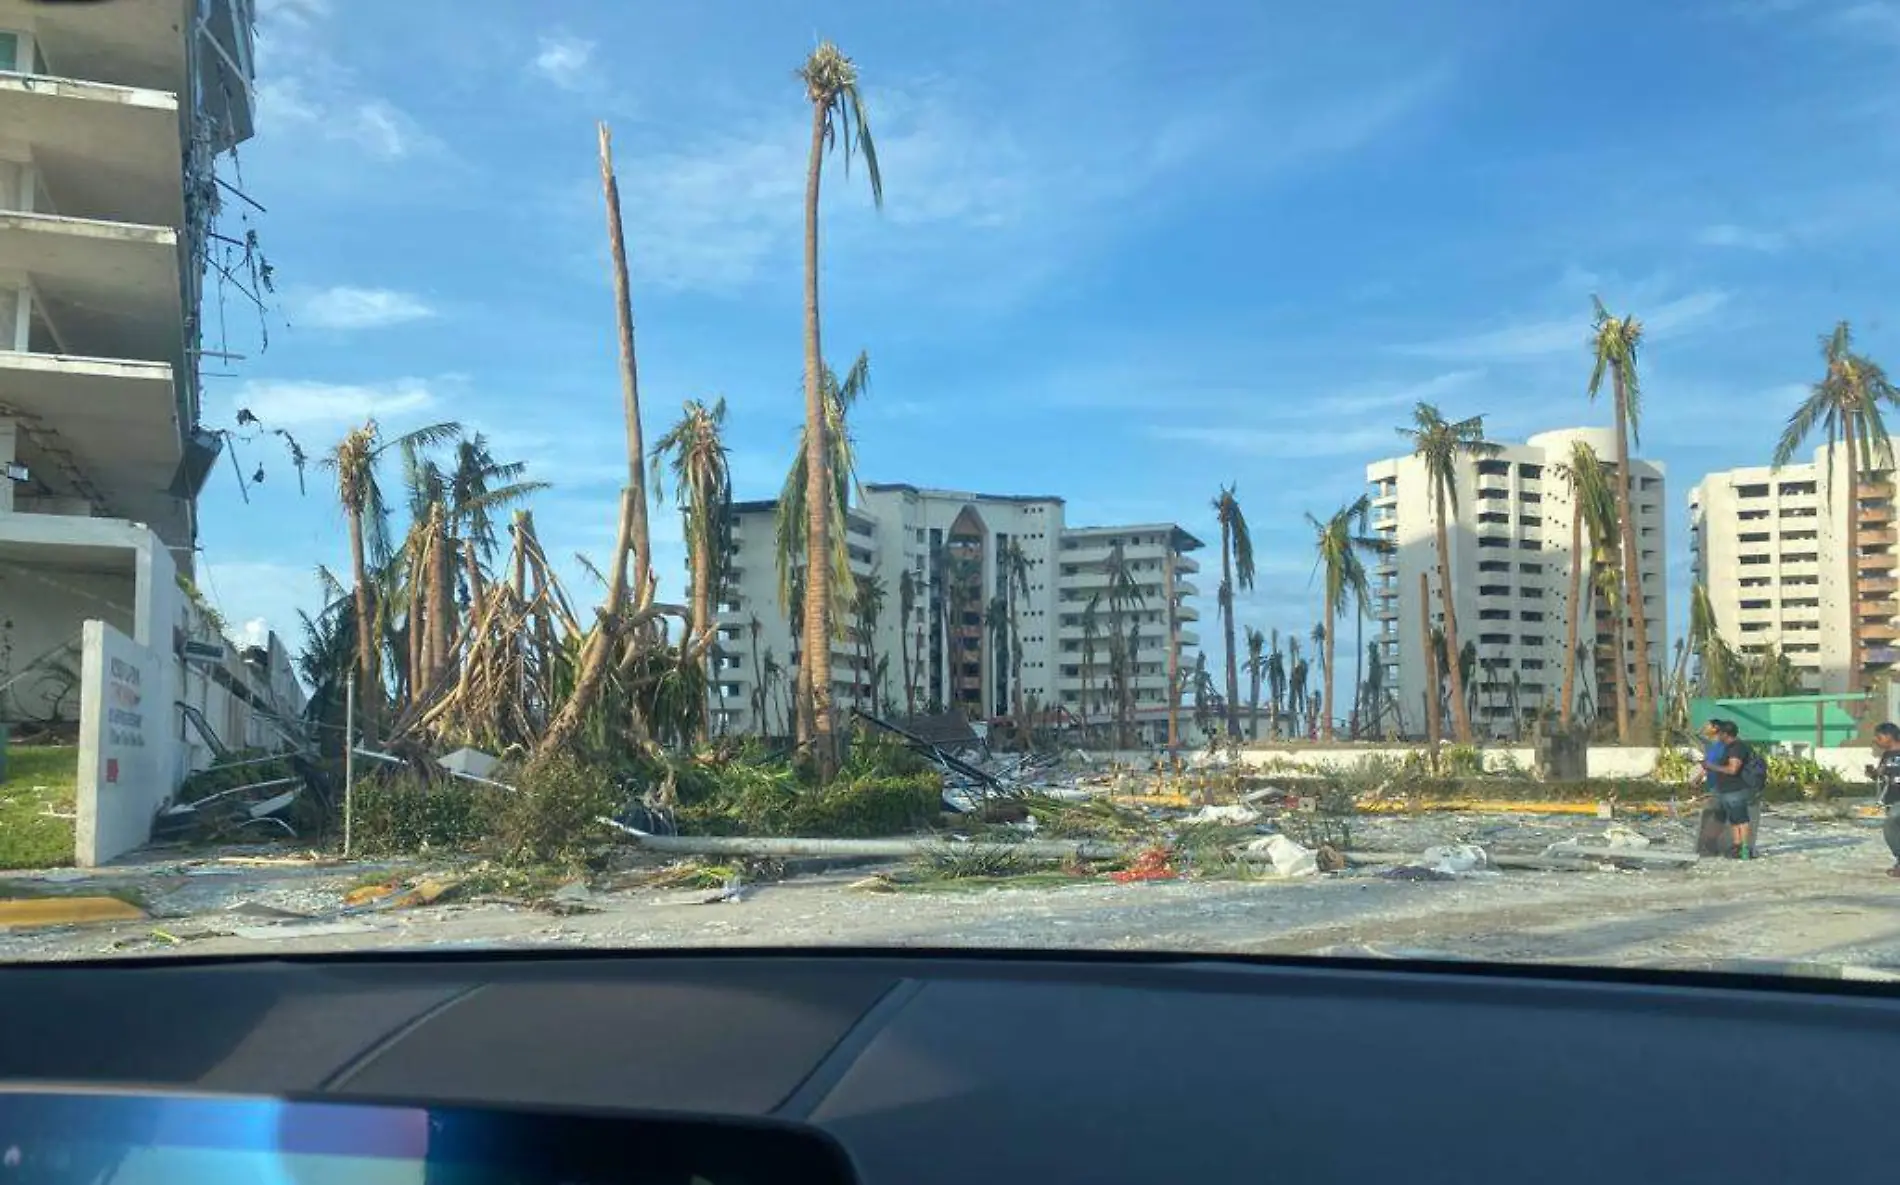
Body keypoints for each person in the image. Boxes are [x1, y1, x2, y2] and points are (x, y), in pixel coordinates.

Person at [1712, 720, 1756, 860]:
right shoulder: (1729, 747)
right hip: (1727, 790)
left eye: (1719, 733)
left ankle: (1744, 848)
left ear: (1725, 734)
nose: (1717, 736)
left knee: (1741, 819)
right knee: (1734, 819)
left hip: (1736, 789)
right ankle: (1737, 846)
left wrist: (1711, 767)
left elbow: (1733, 769)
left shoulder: (1737, 747)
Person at [1868, 723, 1900, 879]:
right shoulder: (1886, 755)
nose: (1876, 740)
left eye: (1879, 737)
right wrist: (1873, 773)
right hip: (1891, 799)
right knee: (1892, 831)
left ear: (1889, 736)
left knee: (1892, 820)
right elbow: (1881, 774)